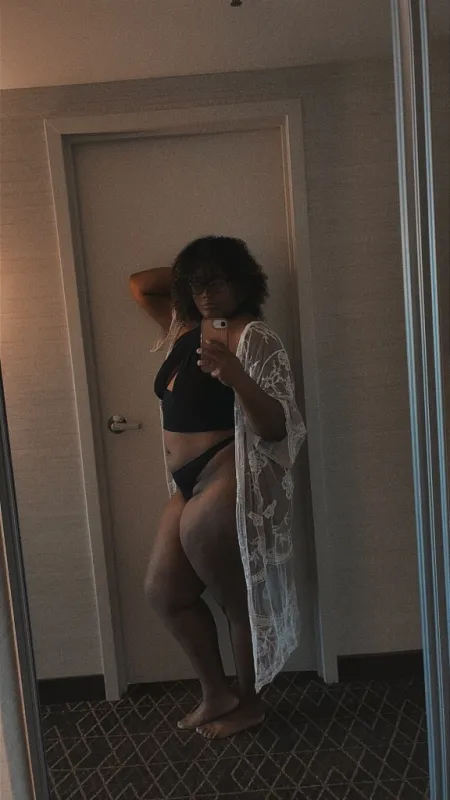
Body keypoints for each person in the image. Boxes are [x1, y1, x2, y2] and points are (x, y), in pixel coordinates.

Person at [129, 236, 306, 739]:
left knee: (234, 600)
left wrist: (236, 377)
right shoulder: (185, 328)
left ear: (242, 283)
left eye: (217, 283)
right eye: (196, 285)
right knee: (165, 592)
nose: (206, 294)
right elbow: (140, 285)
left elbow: (278, 428)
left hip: (224, 476)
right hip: (187, 484)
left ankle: (249, 705)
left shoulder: (254, 337)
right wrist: (192, 275)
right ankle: (217, 693)